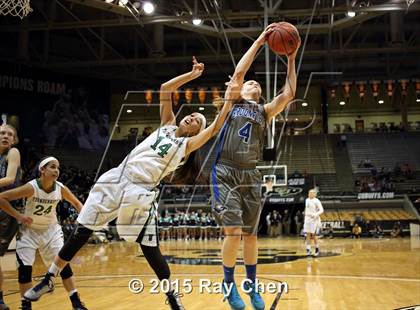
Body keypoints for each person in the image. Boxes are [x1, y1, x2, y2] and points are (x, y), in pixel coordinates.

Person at [24, 57, 242, 310]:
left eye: (195, 120)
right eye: (190, 115)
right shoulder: (166, 125)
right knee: (82, 230)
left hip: (141, 190)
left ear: (196, 132)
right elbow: (165, 90)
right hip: (116, 178)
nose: (190, 118)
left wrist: (229, 98)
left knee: (150, 248)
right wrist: (191, 76)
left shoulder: (187, 146)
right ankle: (49, 278)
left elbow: (215, 127)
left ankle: (171, 295)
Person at [211, 25, 299, 310]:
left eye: (258, 86)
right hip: (225, 170)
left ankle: (251, 286)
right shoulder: (232, 102)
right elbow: (238, 73)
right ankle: (228, 284)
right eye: (252, 83)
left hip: (250, 173)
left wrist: (291, 57)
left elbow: (288, 93)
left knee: (250, 235)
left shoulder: (265, 111)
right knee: (234, 232)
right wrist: (261, 40)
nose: (255, 85)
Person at [0, 157, 87, 310]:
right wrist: (19, 216)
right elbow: (2, 198)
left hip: (51, 231)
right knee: (25, 269)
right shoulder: (31, 187)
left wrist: (86, 220)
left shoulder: (60, 188)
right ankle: (25, 305)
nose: (56, 170)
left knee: (63, 266)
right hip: (29, 232)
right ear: (42, 170)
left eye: (58, 168)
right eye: (52, 167)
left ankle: (76, 303)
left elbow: (77, 203)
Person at [0, 124, 22, 310]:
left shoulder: (13, 153)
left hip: (7, 211)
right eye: (2, 133)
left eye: (10, 134)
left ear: (14, 140)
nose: (6, 136)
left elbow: (10, 179)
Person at [303, 189, 324, 257]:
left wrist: (315, 214)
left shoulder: (317, 201)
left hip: (314, 219)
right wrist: (305, 214)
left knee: (314, 235)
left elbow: (321, 210)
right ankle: (308, 249)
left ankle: (317, 249)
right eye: (309, 193)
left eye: (312, 193)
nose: (310, 194)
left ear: (315, 194)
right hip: (307, 219)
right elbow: (307, 208)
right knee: (308, 234)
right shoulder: (307, 200)